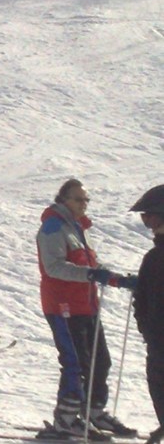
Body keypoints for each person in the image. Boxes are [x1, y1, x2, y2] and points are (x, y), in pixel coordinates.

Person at [36, 178, 138, 440]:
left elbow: (91, 264)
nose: (84, 204)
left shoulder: (80, 227)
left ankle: (93, 410)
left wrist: (114, 278)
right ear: (63, 200)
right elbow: (54, 267)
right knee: (76, 363)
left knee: (100, 361)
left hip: (86, 305)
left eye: (86, 200)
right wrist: (93, 275)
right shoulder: (53, 227)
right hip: (63, 306)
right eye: (78, 199)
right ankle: (67, 418)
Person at [132, 185, 164, 444]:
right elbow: (141, 302)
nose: (148, 224)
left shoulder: (154, 259)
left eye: (150, 217)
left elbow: (142, 303)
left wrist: (148, 330)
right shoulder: (153, 258)